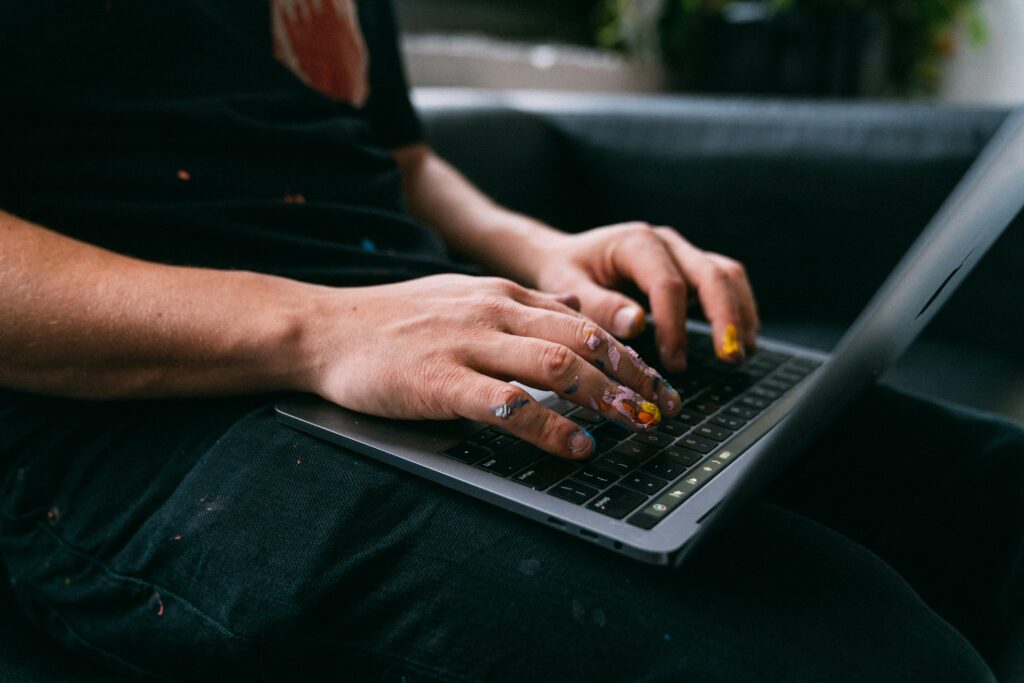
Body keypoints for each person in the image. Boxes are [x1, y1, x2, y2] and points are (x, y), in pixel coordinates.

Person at [0, 1, 1020, 681]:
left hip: (411, 337)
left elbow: (390, 157)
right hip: (135, 426)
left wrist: (541, 251)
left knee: (996, 502)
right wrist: (324, 325)